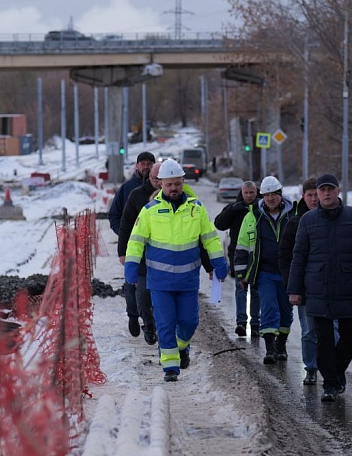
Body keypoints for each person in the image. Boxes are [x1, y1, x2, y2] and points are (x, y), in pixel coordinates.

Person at [124, 159, 228, 382]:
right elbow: (136, 241)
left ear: (183, 182)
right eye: (169, 184)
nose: (173, 188)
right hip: (159, 281)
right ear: (160, 184)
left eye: (177, 184)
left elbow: (210, 239)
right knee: (165, 322)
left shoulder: (196, 209)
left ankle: (181, 347)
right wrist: (131, 267)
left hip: (188, 280)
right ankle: (170, 368)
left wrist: (218, 262)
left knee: (190, 322)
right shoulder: (150, 211)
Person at [287, 173, 352, 402]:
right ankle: (329, 384)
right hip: (318, 287)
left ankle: (335, 373)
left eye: (330, 189)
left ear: (338, 191)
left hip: (347, 287)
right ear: (317, 194)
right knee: (324, 337)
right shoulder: (308, 221)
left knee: (350, 336)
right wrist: (294, 289)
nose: (326, 193)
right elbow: (298, 257)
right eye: (322, 190)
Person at [278, 177, 338, 386]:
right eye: (310, 195)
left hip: (333, 287)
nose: (314, 199)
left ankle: (334, 370)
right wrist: (292, 285)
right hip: (306, 287)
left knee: (335, 332)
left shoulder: (336, 218)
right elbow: (285, 256)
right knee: (310, 330)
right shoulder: (295, 222)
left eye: (316, 194)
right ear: (303, 196)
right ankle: (311, 367)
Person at [235, 176, 295, 365]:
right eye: (266, 195)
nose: (270, 199)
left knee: (286, 312)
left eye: (273, 195)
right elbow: (242, 246)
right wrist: (241, 274)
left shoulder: (293, 216)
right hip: (265, 272)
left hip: (288, 274)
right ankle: (269, 349)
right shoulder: (253, 217)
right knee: (269, 308)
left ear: (280, 194)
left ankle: (281, 345)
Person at [108, 151, 155, 338]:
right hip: (132, 246)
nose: (146, 166)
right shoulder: (128, 189)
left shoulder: (161, 188)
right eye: (142, 163)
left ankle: (151, 321)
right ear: (136, 166)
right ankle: (133, 316)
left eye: (149, 163)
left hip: (155, 246)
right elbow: (115, 215)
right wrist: (125, 235)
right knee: (132, 283)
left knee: (151, 285)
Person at [214, 180, 261, 337]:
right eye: (246, 193)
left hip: (257, 256)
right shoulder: (235, 208)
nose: (248, 196)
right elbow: (219, 224)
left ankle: (255, 323)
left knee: (255, 290)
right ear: (241, 193)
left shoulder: (261, 209)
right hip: (238, 256)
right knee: (241, 289)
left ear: (256, 193)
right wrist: (233, 210)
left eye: (251, 193)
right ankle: (241, 322)